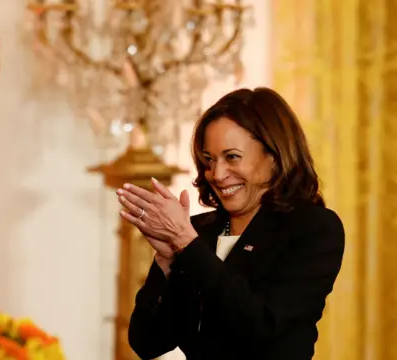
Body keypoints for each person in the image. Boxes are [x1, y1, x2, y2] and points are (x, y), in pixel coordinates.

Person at [116, 87, 345, 360]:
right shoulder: (199, 232)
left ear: (274, 155)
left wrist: (187, 244)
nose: (218, 174)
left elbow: (262, 328)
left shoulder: (314, 228)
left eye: (232, 157)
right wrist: (166, 263)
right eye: (209, 160)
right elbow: (147, 342)